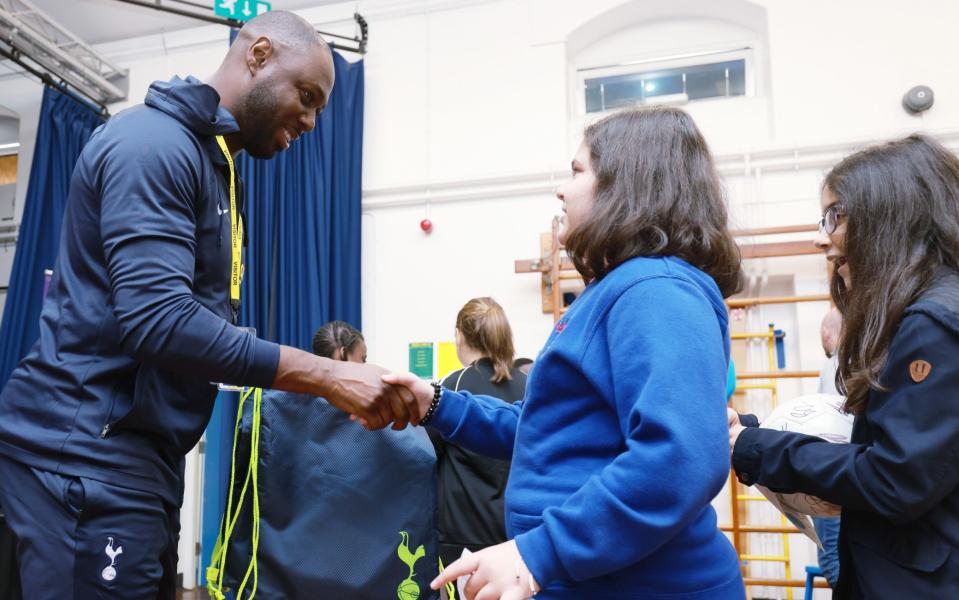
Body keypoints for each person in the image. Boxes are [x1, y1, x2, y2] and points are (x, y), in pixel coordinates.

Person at [0, 11, 415, 599]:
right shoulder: (152, 143)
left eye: (322, 107)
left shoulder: (213, 166)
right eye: (306, 96)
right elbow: (159, 321)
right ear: (259, 53)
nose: (313, 120)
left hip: (137, 464)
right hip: (85, 460)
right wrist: (327, 375)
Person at [386, 106, 746, 599]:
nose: (562, 189)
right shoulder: (618, 289)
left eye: (577, 172)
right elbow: (545, 430)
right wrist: (438, 403)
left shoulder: (656, 288)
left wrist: (541, 551)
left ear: (627, 185)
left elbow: (680, 456)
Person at [727, 134, 959, 598]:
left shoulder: (930, 323)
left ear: (888, 215)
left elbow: (895, 478)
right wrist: (756, 433)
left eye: (835, 216)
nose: (820, 238)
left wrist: (757, 448)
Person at [222, 321, 440, 600]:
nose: (365, 368)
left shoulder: (274, 401)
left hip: (285, 571)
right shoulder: (377, 411)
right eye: (362, 359)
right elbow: (418, 461)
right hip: (366, 567)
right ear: (342, 354)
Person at [430, 298, 527, 570]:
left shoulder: (452, 387)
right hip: (514, 537)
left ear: (460, 335)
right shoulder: (528, 385)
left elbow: (426, 455)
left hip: (463, 540)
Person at [812, 306, 843, 589]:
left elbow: (830, 427)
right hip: (849, 472)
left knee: (832, 559)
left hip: (831, 474)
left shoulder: (835, 364)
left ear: (825, 332)